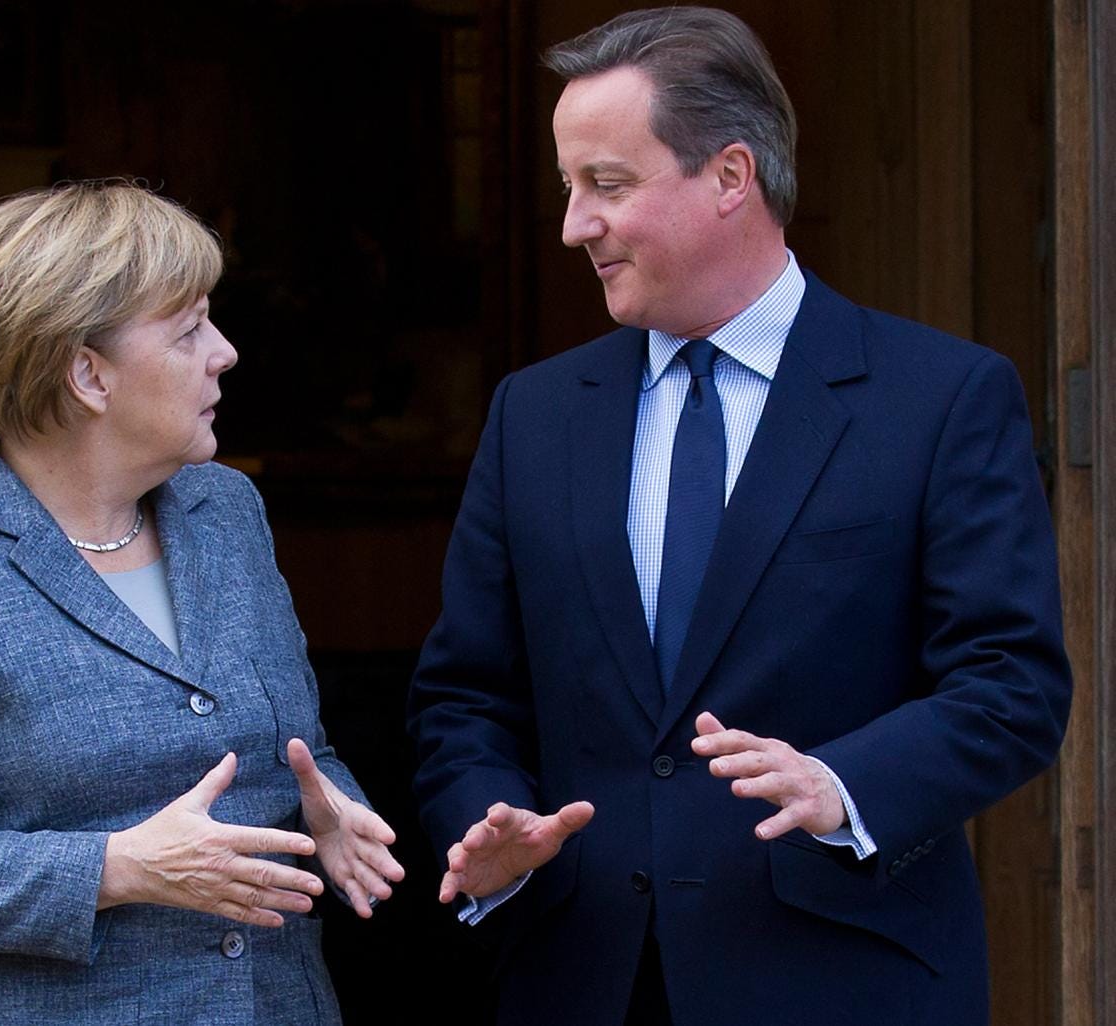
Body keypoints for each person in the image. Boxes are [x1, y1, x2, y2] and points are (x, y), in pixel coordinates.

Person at [406, 8, 1071, 1025]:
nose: (575, 225)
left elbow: (1012, 684)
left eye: (607, 185)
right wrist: (489, 822)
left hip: (844, 983)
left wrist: (843, 785)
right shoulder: (532, 416)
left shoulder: (940, 398)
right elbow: (465, 695)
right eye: (570, 188)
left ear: (729, 176)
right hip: (583, 983)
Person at [0, 180, 404, 1025]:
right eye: (188, 330)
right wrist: (116, 868)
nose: (225, 352)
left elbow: (300, 750)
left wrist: (330, 810)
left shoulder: (226, 511)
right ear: (88, 374)